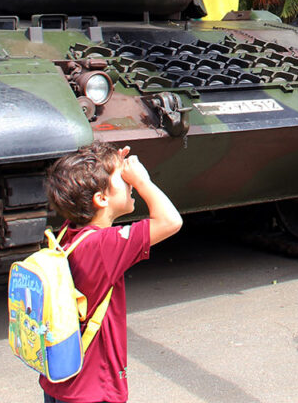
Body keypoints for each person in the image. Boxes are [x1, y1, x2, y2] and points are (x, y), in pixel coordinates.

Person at [40, 144, 182, 403]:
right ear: (101, 199)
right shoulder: (102, 247)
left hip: (60, 380)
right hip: (93, 387)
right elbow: (170, 221)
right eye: (123, 179)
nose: (129, 183)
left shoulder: (68, 232)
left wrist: (107, 163)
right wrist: (142, 181)